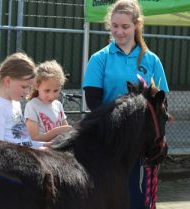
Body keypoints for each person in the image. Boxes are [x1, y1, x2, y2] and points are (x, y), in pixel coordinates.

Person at [82, 0, 169, 209]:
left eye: (125, 26)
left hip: (138, 146)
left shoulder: (152, 60)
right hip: (106, 143)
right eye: (114, 26)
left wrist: (160, 139)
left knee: (136, 201)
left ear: (137, 25)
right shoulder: (99, 59)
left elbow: (161, 102)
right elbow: (93, 100)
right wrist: (118, 125)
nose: (118, 32)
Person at [0, 52, 49, 149]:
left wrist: (48, 145)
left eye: (29, 88)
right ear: (8, 81)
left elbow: (24, 142)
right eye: (24, 87)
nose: (27, 92)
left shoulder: (16, 104)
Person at [24, 60, 72, 142]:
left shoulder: (58, 104)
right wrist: (56, 132)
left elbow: (66, 131)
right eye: (47, 90)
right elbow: (34, 138)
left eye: (56, 90)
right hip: (40, 153)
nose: (52, 95)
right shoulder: (32, 106)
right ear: (36, 86)